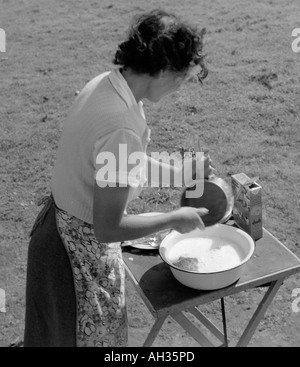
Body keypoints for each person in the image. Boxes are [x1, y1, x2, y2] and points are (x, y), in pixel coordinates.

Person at [24, 9, 213, 347]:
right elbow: (108, 227)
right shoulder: (120, 123)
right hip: (73, 257)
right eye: (182, 76)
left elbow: (122, 164)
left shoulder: (111, 86)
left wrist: (181, 175)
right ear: (165, 69)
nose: (181, 86)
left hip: (54, 235)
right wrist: (174, 218)